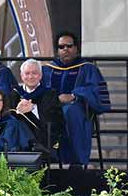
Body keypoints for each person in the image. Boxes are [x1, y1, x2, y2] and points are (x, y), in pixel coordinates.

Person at [42, 31, 111, 168]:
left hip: (79, 111)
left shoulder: (87, 68)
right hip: (53, 110)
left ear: (76, 48)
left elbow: (95, 90)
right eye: (61, 47)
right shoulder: (48, 70)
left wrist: (74, 95)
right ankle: (48, 157)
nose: (65, 49)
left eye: (69, 46)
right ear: (57, 50)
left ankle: (76, 161)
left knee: (70, 110)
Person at [7, 59, 63, 160]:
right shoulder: (14, 94)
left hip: (41, 139)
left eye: (34, 73)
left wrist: (34, 109)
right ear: (21, 76)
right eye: (27, 73)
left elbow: (56, 120)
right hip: (16, 137)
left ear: (40, 75)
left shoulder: (50, 94)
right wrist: (18, 111)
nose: (31, 76)